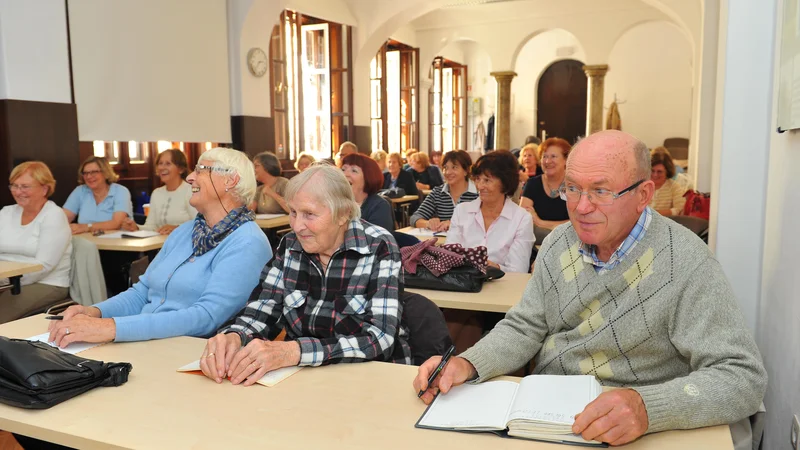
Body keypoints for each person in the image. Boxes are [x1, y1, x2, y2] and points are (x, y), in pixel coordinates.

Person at [414, 130, 766, 447]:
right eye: (572, 188)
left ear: (644, 194)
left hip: (635, 430)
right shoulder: (557, 244)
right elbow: (526, 326)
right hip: (548, 421)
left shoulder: (687, 262)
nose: (581, 207)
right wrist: (468, 363)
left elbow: (742, 377)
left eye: (600, 191)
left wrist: (649, 408)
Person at [198, 164, 411, 386]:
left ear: (343, 214)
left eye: (309, 214)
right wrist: (235, 336)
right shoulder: (290, 244)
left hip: (371, 380)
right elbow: (261, 310)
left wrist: (295, 351)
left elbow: (380, 339)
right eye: (293, 212)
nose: (297, 226)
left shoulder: (379, 246)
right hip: (302, 378)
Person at [47, 148, 272, 346]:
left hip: (190, 350)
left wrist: (111, 328)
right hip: (149, 342)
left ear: (230, 181)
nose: (191, 178)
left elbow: (206, 318)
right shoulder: (185, 231)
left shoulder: (247, 242)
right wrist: (94, 312)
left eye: (202, 170)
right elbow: (143, 292)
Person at [0, 162, 71, 323]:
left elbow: (43, 266)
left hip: (45, 283)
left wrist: (7, 281)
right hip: (8, 281)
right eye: (14, 186)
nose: (18, 192)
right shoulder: (6, 212)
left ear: (44, 189)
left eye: (25, 186)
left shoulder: (54, 216)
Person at [446, 150, 534, 273]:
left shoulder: (521, 218)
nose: (480, 186)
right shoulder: (462, 211)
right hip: (464, 285)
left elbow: (518, 270)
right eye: (477, 179)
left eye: (487, 180)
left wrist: (495, 268)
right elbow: (449, 256)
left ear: (505, 183)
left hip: (503, 287)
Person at [121, 149, 197, 235]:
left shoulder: (191, 191)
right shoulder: (157, 193)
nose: (162, 168)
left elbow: (200, 224)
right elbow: (151, 226)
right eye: (160, 163)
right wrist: (136, 227)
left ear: (181, 169)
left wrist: (177, 228)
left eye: (168, 163)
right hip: (159, 245)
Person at [410, 150, 478, 231]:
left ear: (466, 171)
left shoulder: (478, 193)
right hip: (444, 242)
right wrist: (428, 223)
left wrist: (454, 224)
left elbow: (487, 222)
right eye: (445, 168)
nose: (448, 172)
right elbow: (415, 218)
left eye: (454, 167)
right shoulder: (437, 193)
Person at [63, 156, 132, 234]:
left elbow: (117, 223)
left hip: (116, 243)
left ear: (106, 173)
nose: (89, 176)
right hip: (86, 242)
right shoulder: (80, 191)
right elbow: (63, 218)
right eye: (85, 173)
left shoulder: (120, 191)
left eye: (94, 172)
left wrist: (86, 227)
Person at [520, 137, 571, 230]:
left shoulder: (574, 185)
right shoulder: (532, 184)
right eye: (544, 156)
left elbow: (576, 223)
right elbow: (523, 219)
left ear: (566, 160)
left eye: (553, 156)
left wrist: (540, 223)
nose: (547, 161)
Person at [342, 153, 395, 231]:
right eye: (343, 169)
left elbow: (378, 241)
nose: (345, 174)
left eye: (354, 170)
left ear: (368, 178)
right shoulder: (335, 203)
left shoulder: (379, 206)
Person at [649, 149, 687, 216]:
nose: (655, 175)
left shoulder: (674, 187)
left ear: (667, 171)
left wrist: (654, 214)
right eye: (652, 170)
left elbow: (679, 210)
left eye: (659, 171)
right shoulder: (641, 186)